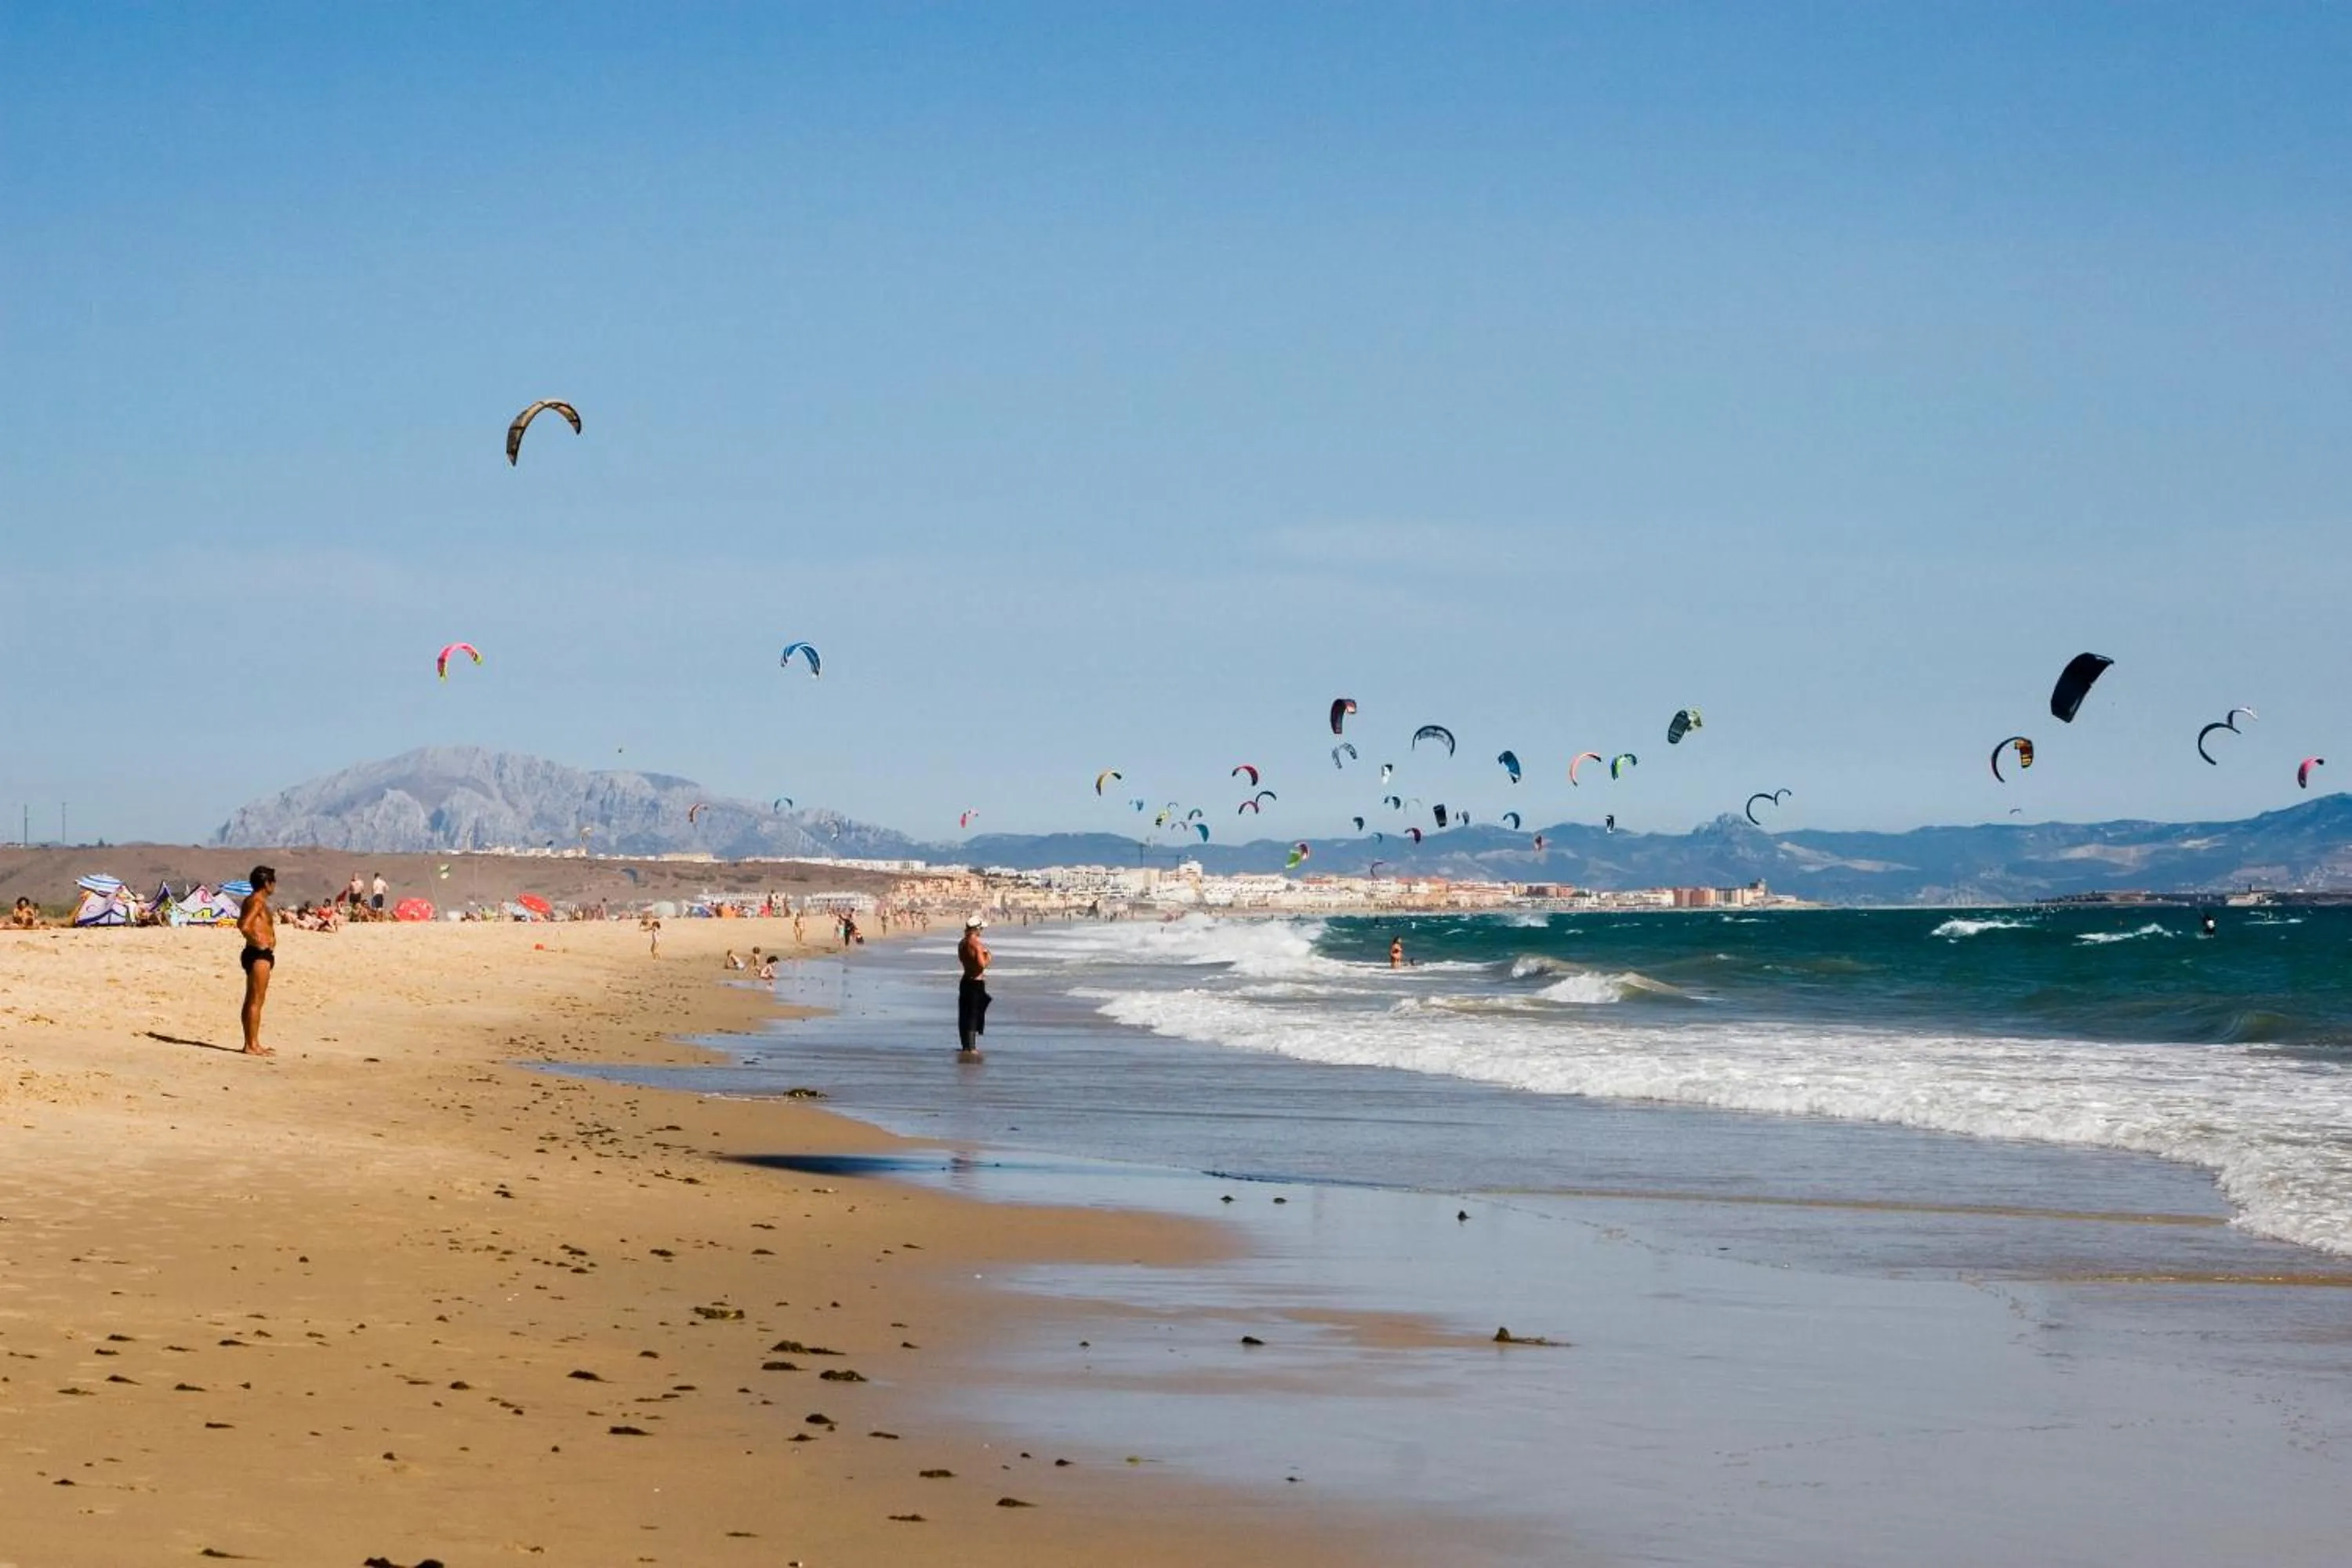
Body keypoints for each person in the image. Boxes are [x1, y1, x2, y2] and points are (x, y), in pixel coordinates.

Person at [235, 865, 278, 1057]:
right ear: (267, 883)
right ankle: (252, 1045)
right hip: (258, 955)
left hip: (258, 954)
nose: (275, 886)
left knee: (252, 999)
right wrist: (259, 943)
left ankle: (251, 1043)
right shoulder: (257, 902)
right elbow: (243, 925)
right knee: (256, 1001)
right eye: (273, 882)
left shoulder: (255, 900)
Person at [956, 915, 991, 1056]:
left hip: (965, 980)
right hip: (975, 981)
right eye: (981, 928)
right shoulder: (976, 944)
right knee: (973, 1014)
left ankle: (966, 1046)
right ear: (976, 929)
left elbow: (964, 960)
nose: (982, 931)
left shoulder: (962, 943)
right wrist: (989, 957)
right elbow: (981, 965)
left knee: (964, 1014)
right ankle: (971, 1048)